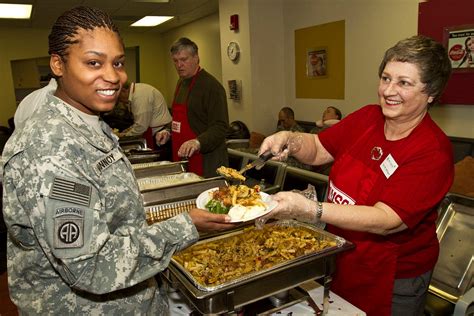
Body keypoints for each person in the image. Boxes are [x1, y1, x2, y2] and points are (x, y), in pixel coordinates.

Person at [1, 6, 234, 314]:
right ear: (58, 64)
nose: (113, 76)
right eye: (93, 62)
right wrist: (184, 226)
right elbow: (90, 266)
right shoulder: (49, 150)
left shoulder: (89, 120)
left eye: (118, 62)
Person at [257, 35, 453, 316]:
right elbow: (318, 148)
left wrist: (311, 209)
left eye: (404, 83)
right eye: (386, 78)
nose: (388, 90)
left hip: (392, 276)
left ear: (431, 92)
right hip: (344, 255)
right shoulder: (367, 118)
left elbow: (386, 221)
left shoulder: (432, 151)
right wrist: (289, 138)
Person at [162, 37, 229, 178]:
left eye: (183, 59)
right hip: (182, 157)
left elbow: (220, 127)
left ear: (196, 58)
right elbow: (179, 119)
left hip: (205, 160)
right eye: (175, 60)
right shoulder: (181, 83)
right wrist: (168, 131)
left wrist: (198, 142)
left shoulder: (212, 87)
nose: (179, 65)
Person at [115, 82, 172, 149]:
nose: (120, 101)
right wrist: (127, 130)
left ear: (123, 91)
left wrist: (124, 136)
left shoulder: (140, 96)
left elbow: (141, 126)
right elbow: (139, 121)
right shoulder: (137, 90)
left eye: (119, 98)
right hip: (155, 131)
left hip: (161, 134)